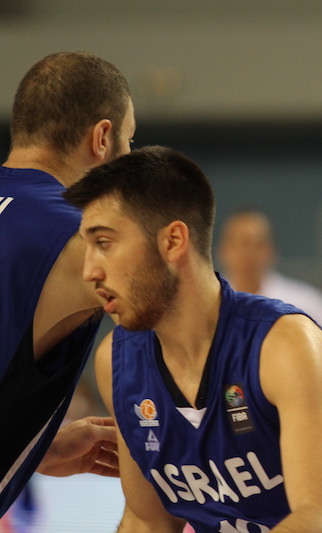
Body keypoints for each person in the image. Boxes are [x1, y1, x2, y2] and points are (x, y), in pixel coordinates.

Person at [63, 146, 322, 532]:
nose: (89, 271)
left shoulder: (287, 344)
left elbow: (321, 519)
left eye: (104, 243)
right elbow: (148, 521)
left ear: (172, 242)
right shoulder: (117, 362)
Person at [0, 51, 136, 515]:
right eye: (130, 140)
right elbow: (196, 332)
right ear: (102, 138)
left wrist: (35, 445)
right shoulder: (86, 237)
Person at [218, 209, 322, 366]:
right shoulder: (210, 303)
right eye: (241, 243)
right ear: (223, 249)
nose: (248, 254)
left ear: (272, 250)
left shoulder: (303, 302)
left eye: (258, 244)